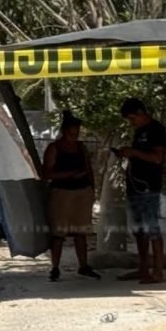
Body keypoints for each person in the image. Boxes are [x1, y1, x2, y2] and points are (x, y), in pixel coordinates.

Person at [41, 112, 101, 283]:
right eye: (72, 130)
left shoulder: (81, 148)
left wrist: (91, 190)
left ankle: (83, 266)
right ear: (64, 130)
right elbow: (45, 174)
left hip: (82, 193)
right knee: (58, 233)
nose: (74, 134)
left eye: (77, 130)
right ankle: (55, 268)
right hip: (61, 193)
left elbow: (89, 169)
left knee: (81, 232)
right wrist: (67, 175)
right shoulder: (54, 148)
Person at [115, 98, 166, 284]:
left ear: (140, 112)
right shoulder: (139, 131)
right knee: (139, 230)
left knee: (152, 228)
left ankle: (158, 270)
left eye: (132, 118)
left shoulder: (156, 129)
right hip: (135, 186)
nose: (131, 122)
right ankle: (143, 267)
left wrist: (134, 153)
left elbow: (157, 158)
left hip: (149, 187)